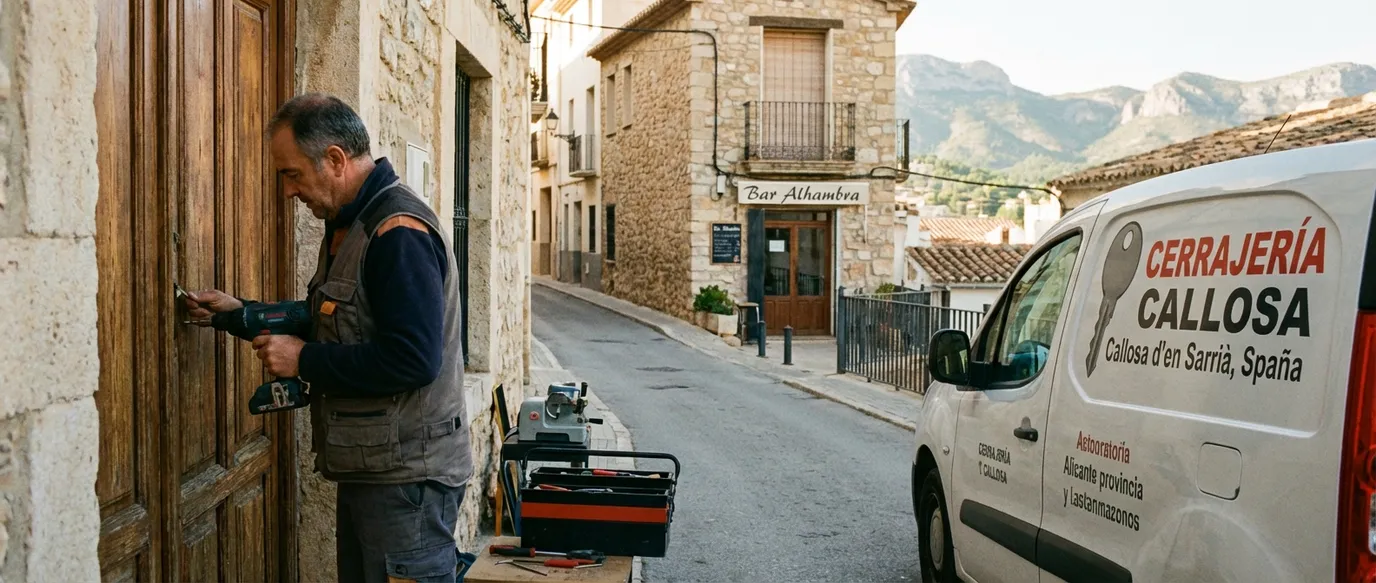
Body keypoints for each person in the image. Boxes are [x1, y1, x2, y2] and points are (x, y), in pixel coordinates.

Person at [183, 93, 472, 583]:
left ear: (335, 159)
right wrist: (240, 316)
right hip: (378, 470)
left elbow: (413, 360)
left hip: (407, 482)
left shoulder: (397, 231)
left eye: (292, 174)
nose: (288, 191)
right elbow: (337, 317)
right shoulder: (353, 221)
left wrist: (305, 361)